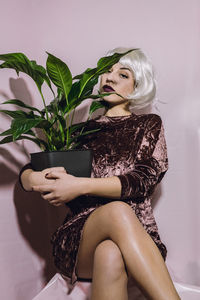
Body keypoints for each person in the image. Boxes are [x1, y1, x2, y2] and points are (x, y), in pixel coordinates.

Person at [20, 48, 180, 300]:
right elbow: (30, 170)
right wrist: (32, 179)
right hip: (79, 238)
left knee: (110, 254)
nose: (110, 78)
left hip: (138, 238)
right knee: (118, 210)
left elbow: (143, 181)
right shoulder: (79, 131)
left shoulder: (148, 124)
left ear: (137, 86)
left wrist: (79, 186)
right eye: (106, 71)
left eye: (123, 74)